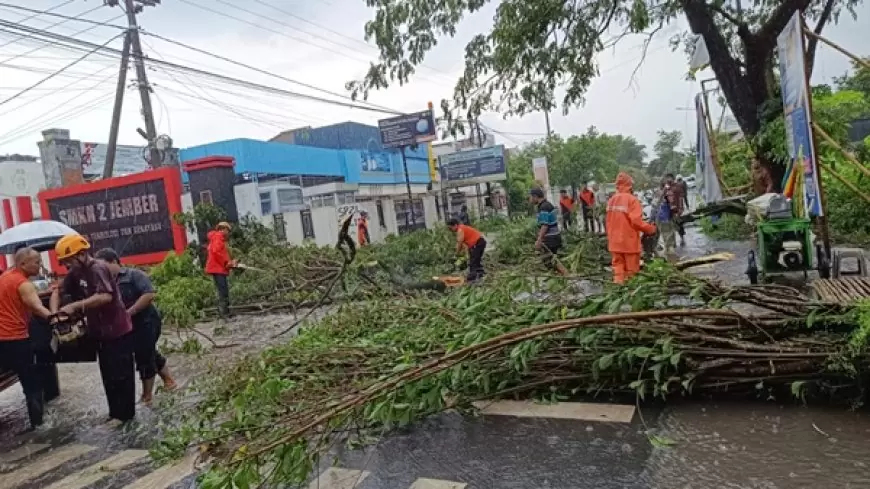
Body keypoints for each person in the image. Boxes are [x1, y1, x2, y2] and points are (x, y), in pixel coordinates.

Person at [50, 234, 136, 425]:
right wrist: (55, 314)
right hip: (99, 331)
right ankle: (114, 414)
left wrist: (77, 306)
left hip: (117, 331)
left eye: (69, 261)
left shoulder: (98, 268)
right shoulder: (75, 273)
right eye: (65, 262)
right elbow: (59, 291)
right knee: (108, 375)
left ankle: (126, 415)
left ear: (81, 255)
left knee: (121, 375)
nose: (67, 266)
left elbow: (105, 296)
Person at [95, 248, 177, 404]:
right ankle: (169, 381)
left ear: (114, 261)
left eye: (103, 266)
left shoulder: (134, 275)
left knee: (144, 356)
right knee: (148, 352)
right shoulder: (104, 283)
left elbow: (149, 294)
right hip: (125, 326)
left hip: (146, 321)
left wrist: (129, 312)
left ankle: (147, 397)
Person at [0, 248, 54, 431]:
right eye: (36, 262)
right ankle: (39, 427)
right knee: (32, 384)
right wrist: (55, 318)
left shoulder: (5, 277)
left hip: (2, 339)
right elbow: (37, 307)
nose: (40, 265)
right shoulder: (23, 284)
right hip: (15, 338)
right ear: (23, 264)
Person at [606, 172, 657, 284]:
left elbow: (608, 222)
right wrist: (650, 229)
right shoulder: (632, 200)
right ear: (629, 185)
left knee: (618, 271)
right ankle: (631, 291)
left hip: (614, 242)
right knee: (632, 273)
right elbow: (636, 222)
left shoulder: (611, 200)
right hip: (629, 243)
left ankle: (618, 290)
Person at [529, 188, 568, 275]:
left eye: (531, 197)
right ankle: (562, 276)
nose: (530, 199)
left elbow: (545, 225)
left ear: (535, 197)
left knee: (549, 262)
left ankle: (565, 275)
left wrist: (539, 240)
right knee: (552, 260)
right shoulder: (547, 204)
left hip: (550, 239)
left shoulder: (543, 207)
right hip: (554, 237)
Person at [205, 222, 236, 318]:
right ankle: (224, 313)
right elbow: (216, 252)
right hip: (217, 268)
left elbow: (221, 254)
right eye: (228, 231)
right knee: (223, 291)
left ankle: (226, 311)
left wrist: (229, 262)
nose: (228, 233)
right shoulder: (218, 237)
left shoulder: (218, 238)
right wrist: (226, 263)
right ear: (224, 229)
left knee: (223, 290)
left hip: (218, 268)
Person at [664, 173, 686, 248]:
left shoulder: (678, 186)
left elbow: (681, 198)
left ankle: (682, 238)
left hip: (677, 209)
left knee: (679, 224)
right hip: (669, 210)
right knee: (671, 226)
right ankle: (674, 242)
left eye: (669, 178)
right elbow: (665, 198)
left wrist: (681, 208)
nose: (667, 180)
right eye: (666, 178)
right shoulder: (666, 188)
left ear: (672, 178)